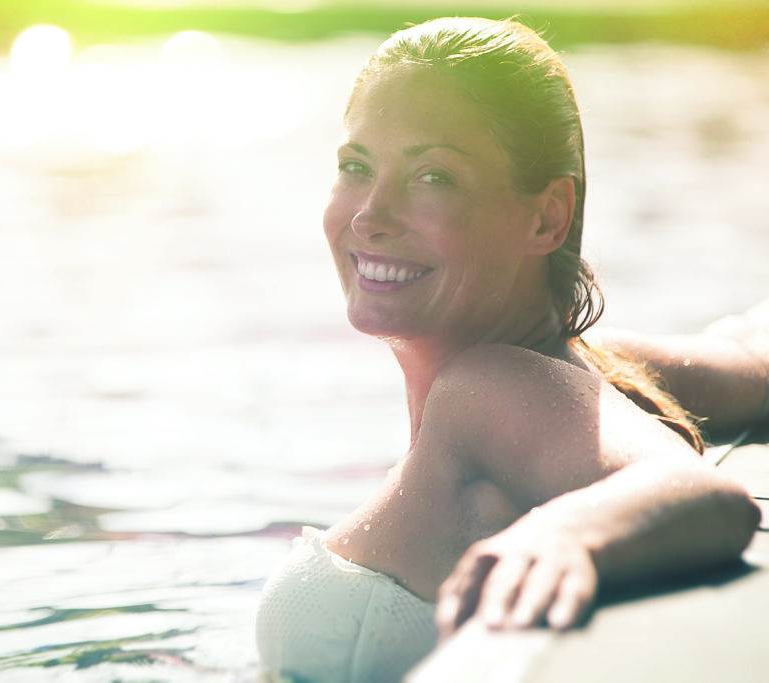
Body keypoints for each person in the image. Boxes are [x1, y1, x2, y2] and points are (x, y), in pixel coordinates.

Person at [254, 17, 765, 683]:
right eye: (356, 166)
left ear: (547, 216)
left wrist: (563, 533)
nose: (369, 215)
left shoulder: (491, 385)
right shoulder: (600, 366)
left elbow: (704, 494)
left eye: (433, 176)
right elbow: (751, 362)